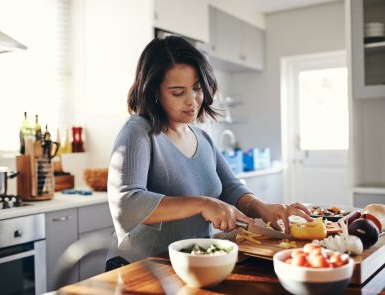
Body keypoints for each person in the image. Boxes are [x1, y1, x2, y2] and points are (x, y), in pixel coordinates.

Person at [106, 36, 311, 271]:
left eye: (196, 88)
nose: (192, 101)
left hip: (188, 264)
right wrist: (202, 204)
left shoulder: (201, 137)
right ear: (154, 92)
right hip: (138, 266)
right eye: (177, 92)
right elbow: (126, 203)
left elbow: (231, 188)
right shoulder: (138, 131)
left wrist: (262, 208)